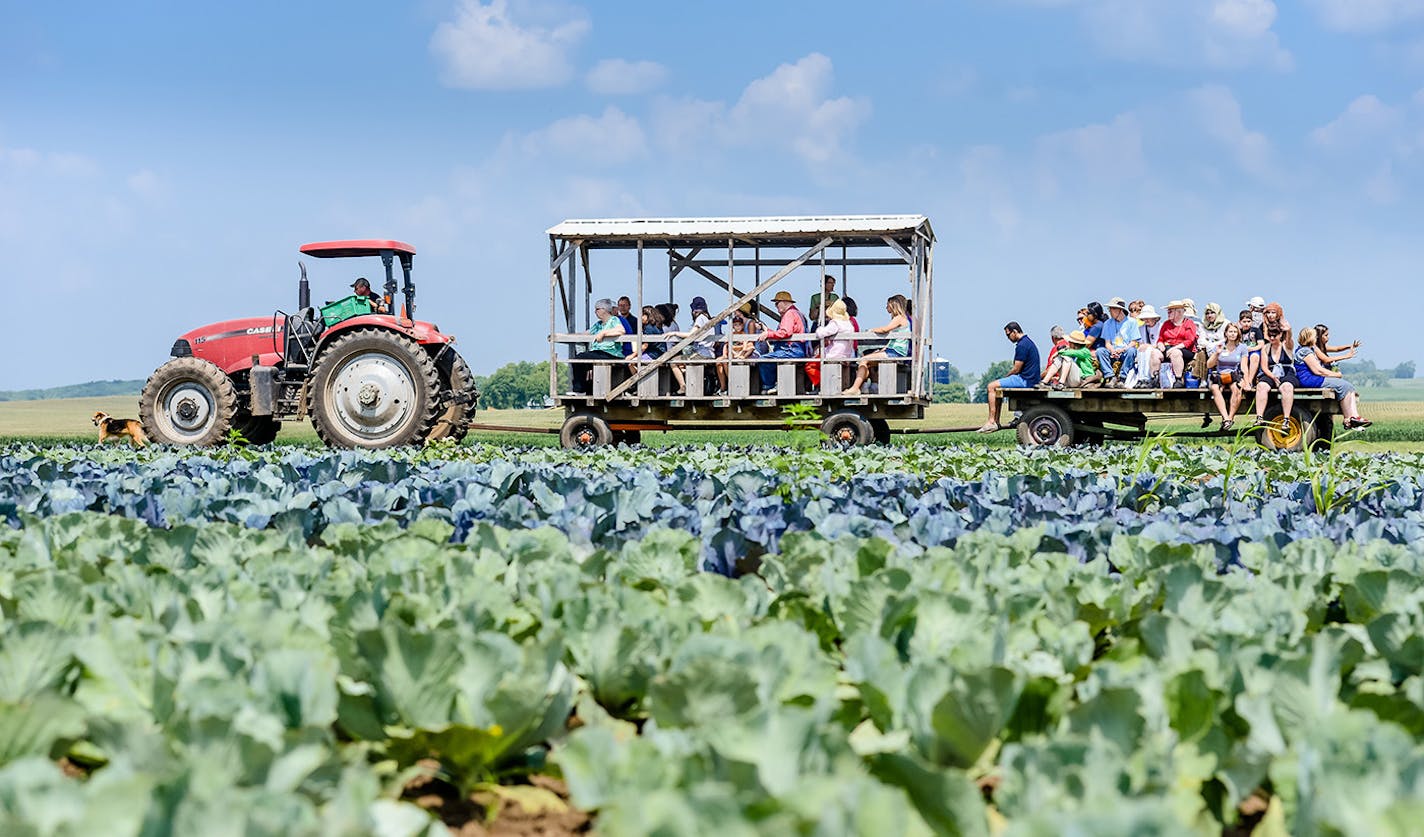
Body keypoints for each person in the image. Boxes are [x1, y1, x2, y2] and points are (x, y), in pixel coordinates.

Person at [1296, 327, 1371, 430]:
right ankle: (1350, 418)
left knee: (1348, 386)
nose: (1316, 338)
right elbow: (1318, 371)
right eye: (1315, 336)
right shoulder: (1305, 351)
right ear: (1309, 337)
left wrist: (1350, 347)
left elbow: (1334, 350)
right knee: (1343, 386)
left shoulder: (1310, 349)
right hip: (1310, 380)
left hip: (1314, 378)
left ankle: (1351, 418)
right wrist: (1335, 375)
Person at [842, 295, 913, 396]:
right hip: (894, 351)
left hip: (895, 353)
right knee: (867, 362)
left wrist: (872, 330)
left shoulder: (899, 318)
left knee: (863, 360)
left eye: (887, 305)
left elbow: (885, 329)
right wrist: (882, 350)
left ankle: (856, 388)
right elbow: (894, 341)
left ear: (894, 305)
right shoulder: (902, 318)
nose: (886, 307)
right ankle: (863, 386)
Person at [978, 321, 1041, 432]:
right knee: (996, 386)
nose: (1008, 338)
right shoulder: (1028, 342)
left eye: (1008, 335)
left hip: (1025, 380)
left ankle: (991, 421)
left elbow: (1016, 369)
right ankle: (996, 421)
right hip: (1031, 379)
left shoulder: (1022, 345)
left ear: (1015, 332)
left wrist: (1005, 378)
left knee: (991, 386)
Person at [570, 298, 626, 394]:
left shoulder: (613, 320)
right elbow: (587, 333)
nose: (595, 312)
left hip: (610, 353)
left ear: (604, 310)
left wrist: (604, 333)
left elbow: (621, 330)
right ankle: (587, 390)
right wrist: (572, 336)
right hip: (598, 352)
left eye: (597, 309)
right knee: (581, 361)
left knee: (580, 358)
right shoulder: (598, 324)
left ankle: (579, 389)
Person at [758, 290, 809, 392]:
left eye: (777, 303)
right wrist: (767, 330)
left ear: (784, 302)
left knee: (763, 360)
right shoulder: (799, 313)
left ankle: (769, 386)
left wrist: (768, 334)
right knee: (771, 358)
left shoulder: (789, 314)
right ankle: (775, 384)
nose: (776, 306)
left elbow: (785, 332)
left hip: (791, 350)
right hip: (800, 349)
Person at [1252, 325, 1298, 430]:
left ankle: (1286, 419)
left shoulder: (1286, 346)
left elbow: (1289, 339)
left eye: (1275, 335)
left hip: (1287, 372)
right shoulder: (1266, 348)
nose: (1272, 338)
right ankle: (1259, 417)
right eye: (1270, 336)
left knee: (1286, 387)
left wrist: (1289, 330)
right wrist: (1273, 377)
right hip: (1271, 372)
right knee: (1261, 386)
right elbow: (1264, 367)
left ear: (1280, 335)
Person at [669, 296, 716, 395]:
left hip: (702, 354)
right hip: (709, 353)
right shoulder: (708, 319)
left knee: (673, 362)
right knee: (683, 362)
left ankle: (683, 386)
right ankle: (687, 379)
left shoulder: (700, 318)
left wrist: (675, 333)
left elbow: (691, 334)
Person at [1206, 322, 1248, 430]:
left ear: (1238, 334)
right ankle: (1225, 418)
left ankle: (1230, 417)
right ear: (1226, 333)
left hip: (1233, 374)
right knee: (1215, 388)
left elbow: (1244, 366)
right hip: (1220, 374)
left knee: (1236, 388)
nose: (1233, 334)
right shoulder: (1220, 346)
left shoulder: (1242, 347)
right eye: (1230, 332)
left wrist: (1246, 381)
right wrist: (1217, 353)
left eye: (1235, 332)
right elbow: (1209, 365)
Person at [1095, 297, 1140, 388]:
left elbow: (1134, 342)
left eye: (1111, 309)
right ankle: (1111, 377)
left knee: (1131, 351)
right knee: (1100, 351)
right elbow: (1107, 343)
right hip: (1113, 351)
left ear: (1119, 310)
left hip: (1125, 351)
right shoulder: (1107, 323)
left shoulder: (1132, 322)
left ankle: (1122, 378)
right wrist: (1112, 351)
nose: (1110, 312)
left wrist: (1122, 350)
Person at [813, 299, 857, 392]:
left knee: (810, 365)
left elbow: (821, 333)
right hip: (847, 354)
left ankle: (820, 385)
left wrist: (819, 328)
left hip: (834, 354)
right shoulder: (848, 323)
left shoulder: (835, 323)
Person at [717, 304, 760, 394]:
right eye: (735, 325)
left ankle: (732, 384)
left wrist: (742, 353)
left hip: (745, 350)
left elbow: (750, 342)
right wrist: (727, 353)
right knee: (720, 362)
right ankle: (724, 386)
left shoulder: (749, 324)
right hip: (734, 351)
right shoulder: (733, 332)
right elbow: (727, 344)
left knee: (748, 348)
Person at [1157, 300, 1199, 387]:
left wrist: (1174, 348)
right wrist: (1160, 344)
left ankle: (1178, 379)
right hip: (1168, 348)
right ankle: (1153, 379)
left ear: (1179, 312)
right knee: (1154, 353)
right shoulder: (1166, 324)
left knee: (1175, 353)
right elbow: (1160, 339)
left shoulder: (1189, 323)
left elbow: (1189, 341)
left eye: (1170, 311)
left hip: (1185, 350)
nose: (1168, 313)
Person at [1133, 304, 1163, 387]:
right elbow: (1141, 343)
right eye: (1144, 318)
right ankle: (1141, 378)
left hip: (1157, 350)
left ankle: (1147, 378)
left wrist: (1148, 346)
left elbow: (1161, 343)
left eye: (1147, 318)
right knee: (1141, 351)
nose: (1145, 320)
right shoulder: (1141, 328)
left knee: (1148, 350)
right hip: (1144, 350)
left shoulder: (1161, 327)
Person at [630, 305, 667, 370]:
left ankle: (639, 378)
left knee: (631, 363)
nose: (640, 318)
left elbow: (645, 345)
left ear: (647, 315)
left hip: (653, 354)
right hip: (660, 353)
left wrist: (632, 355)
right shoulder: (657, 326)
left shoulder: (648, 328)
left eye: (642, 315)